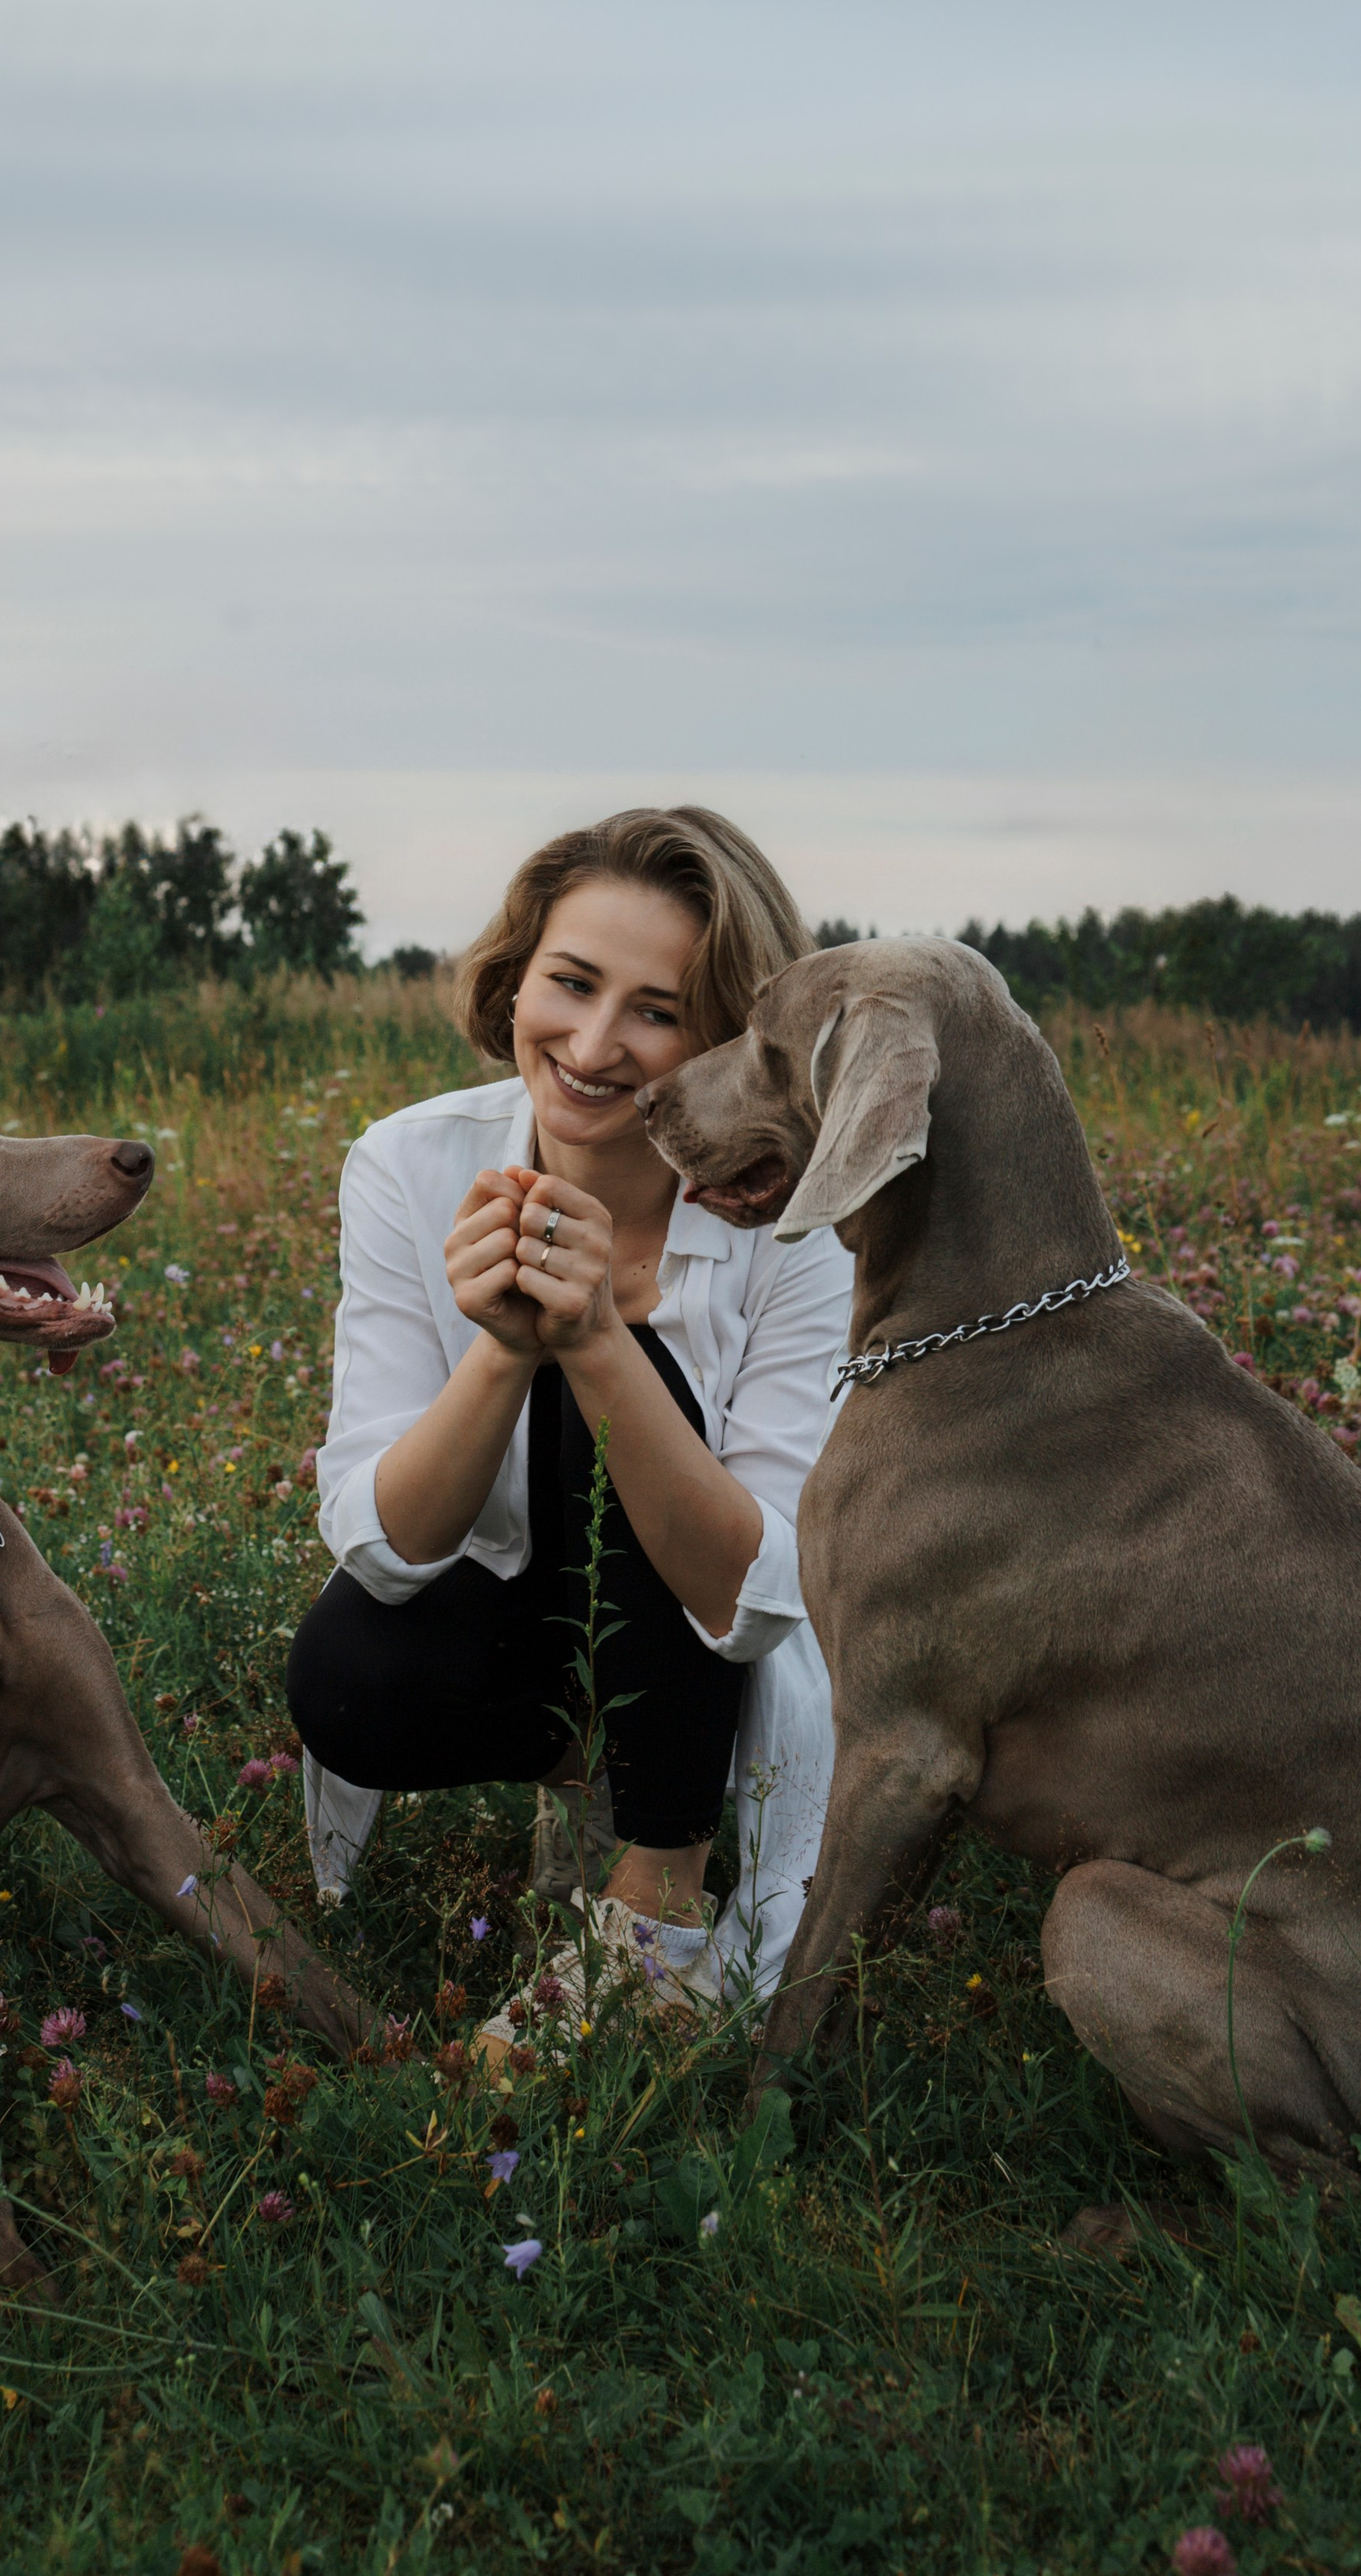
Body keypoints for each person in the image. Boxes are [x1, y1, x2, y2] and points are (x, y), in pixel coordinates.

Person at [286, 805, 851, 2022]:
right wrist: (503, 1353)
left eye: (658, 1011)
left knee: (629, 1386)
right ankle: (626, 1780)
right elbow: (382, 1544)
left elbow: (752, 1595)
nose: (595, 1044)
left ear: (727, 1040)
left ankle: (657, 1914)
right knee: (345, 1675)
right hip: (521, 1613)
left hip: (723, 1633)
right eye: (571, 982)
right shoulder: (409, 1165)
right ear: (515, 977)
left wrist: (600, 1341)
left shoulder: (798, 1220)